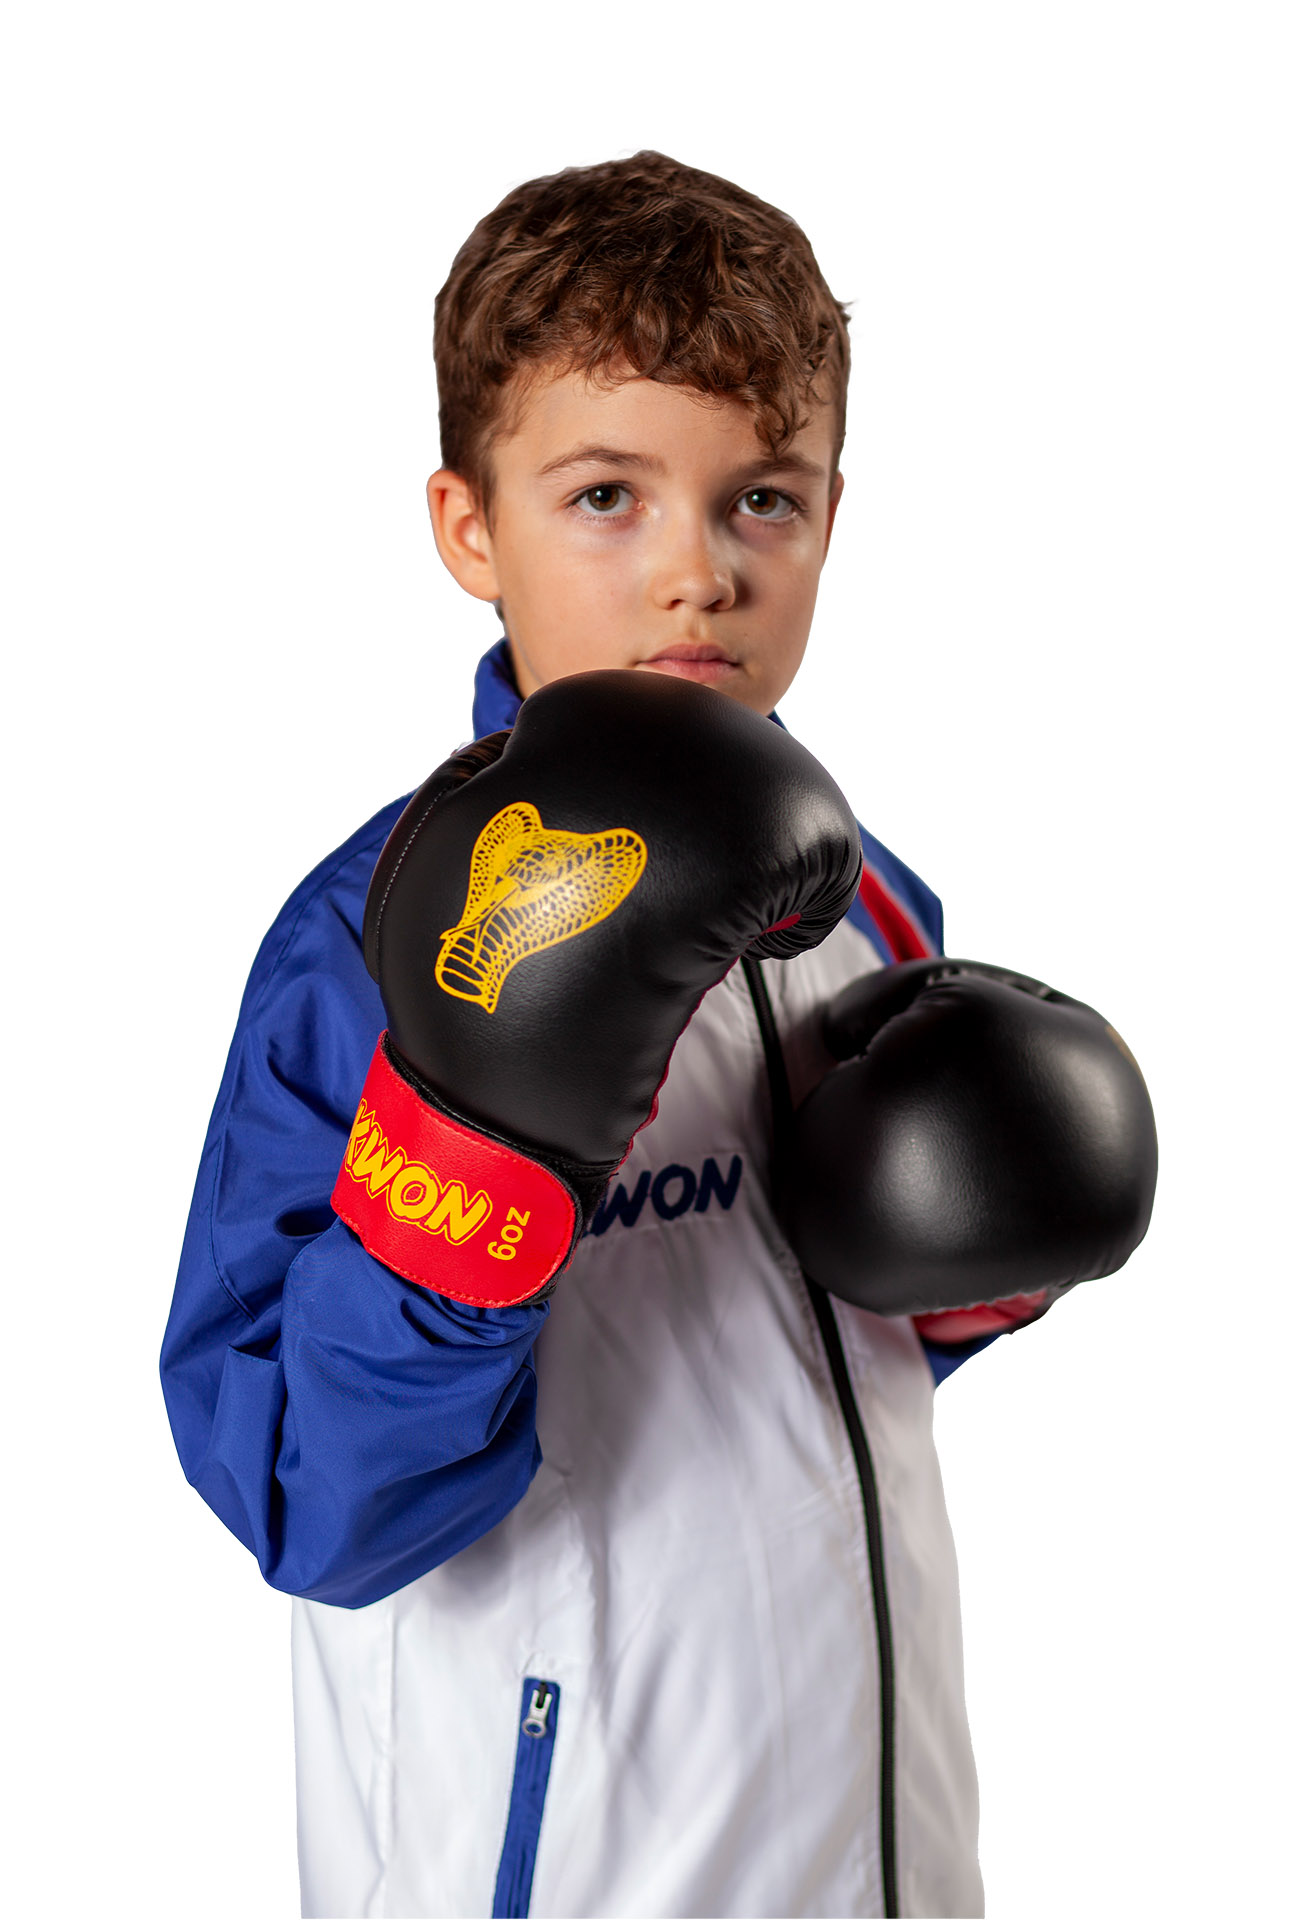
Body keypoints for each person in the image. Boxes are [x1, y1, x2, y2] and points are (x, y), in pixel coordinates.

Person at [161, 152, 1154, 1920]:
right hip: (556, 1867)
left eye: (762, 498)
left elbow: (806, 1360)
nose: (697, 572)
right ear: (471, 527)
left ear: (833, 517)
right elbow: (313, 1501)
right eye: (607, 496)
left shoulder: (861, 894)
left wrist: (969, 1265)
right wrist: (473, 1171)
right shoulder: (370, 942)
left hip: (878, 1841)